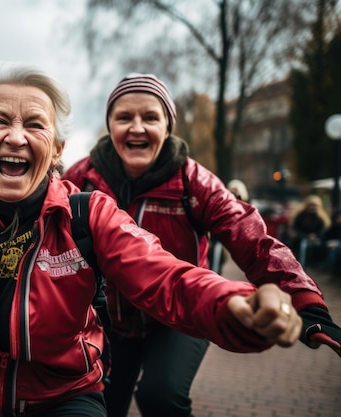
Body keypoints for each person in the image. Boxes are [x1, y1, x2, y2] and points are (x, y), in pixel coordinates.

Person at [0, 63, 311, 417]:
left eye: (34, 124)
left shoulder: (88, 214)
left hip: (66, 399)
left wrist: (237, 304)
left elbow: (170, 278)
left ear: (55, 150)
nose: (15, 136)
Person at [62, 73, 341, 417]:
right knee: (103, 405)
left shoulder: (194, 181)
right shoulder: (80, 179)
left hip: (181, 314)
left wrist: (304, 299)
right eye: (124, 117)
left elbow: (250, 235)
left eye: (150, 117)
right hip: (110, 320)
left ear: (168, 127)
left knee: (160, 396)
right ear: (110, 126)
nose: (137, 127)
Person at [289, 194, 330, 267]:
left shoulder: (320, 218)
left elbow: (322, 230)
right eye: (310, 205)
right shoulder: (300, 215)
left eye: (314, 205)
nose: (312, 207)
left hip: (315, 239)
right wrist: (303, 235)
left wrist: (315, 236)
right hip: (301, 238)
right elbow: (296, 228)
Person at [322, 209, 341, 279]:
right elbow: (324, 239)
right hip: (332, 248)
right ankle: (333, 274)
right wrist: (329, 243)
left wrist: (337, 243)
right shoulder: (332, 228)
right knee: (332, 252)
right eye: (338, 217)